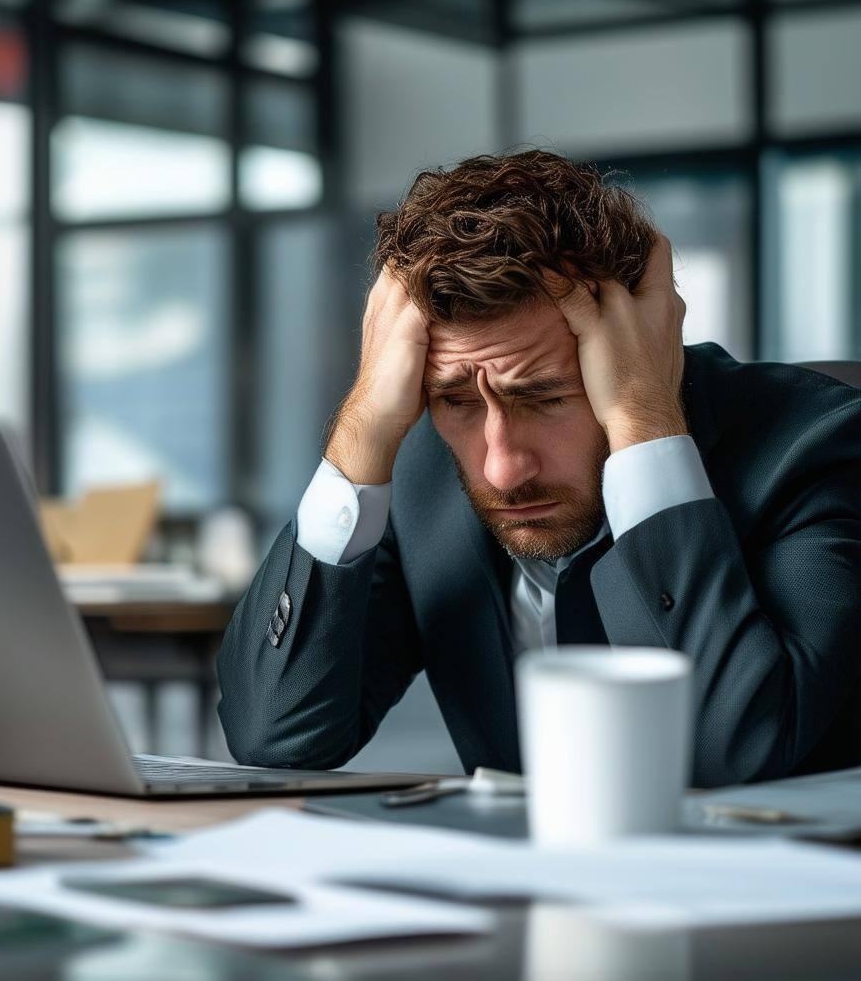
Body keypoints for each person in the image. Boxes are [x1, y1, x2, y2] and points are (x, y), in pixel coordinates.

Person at [217, 150, 861, 788]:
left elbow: (726, 755)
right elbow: (274, 736)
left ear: (643, 344)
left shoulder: (817, 446)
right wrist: (365, 427)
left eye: (546, 397)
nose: (502, 468)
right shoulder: (421, 474)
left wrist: (642, 421)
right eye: (457, 402)